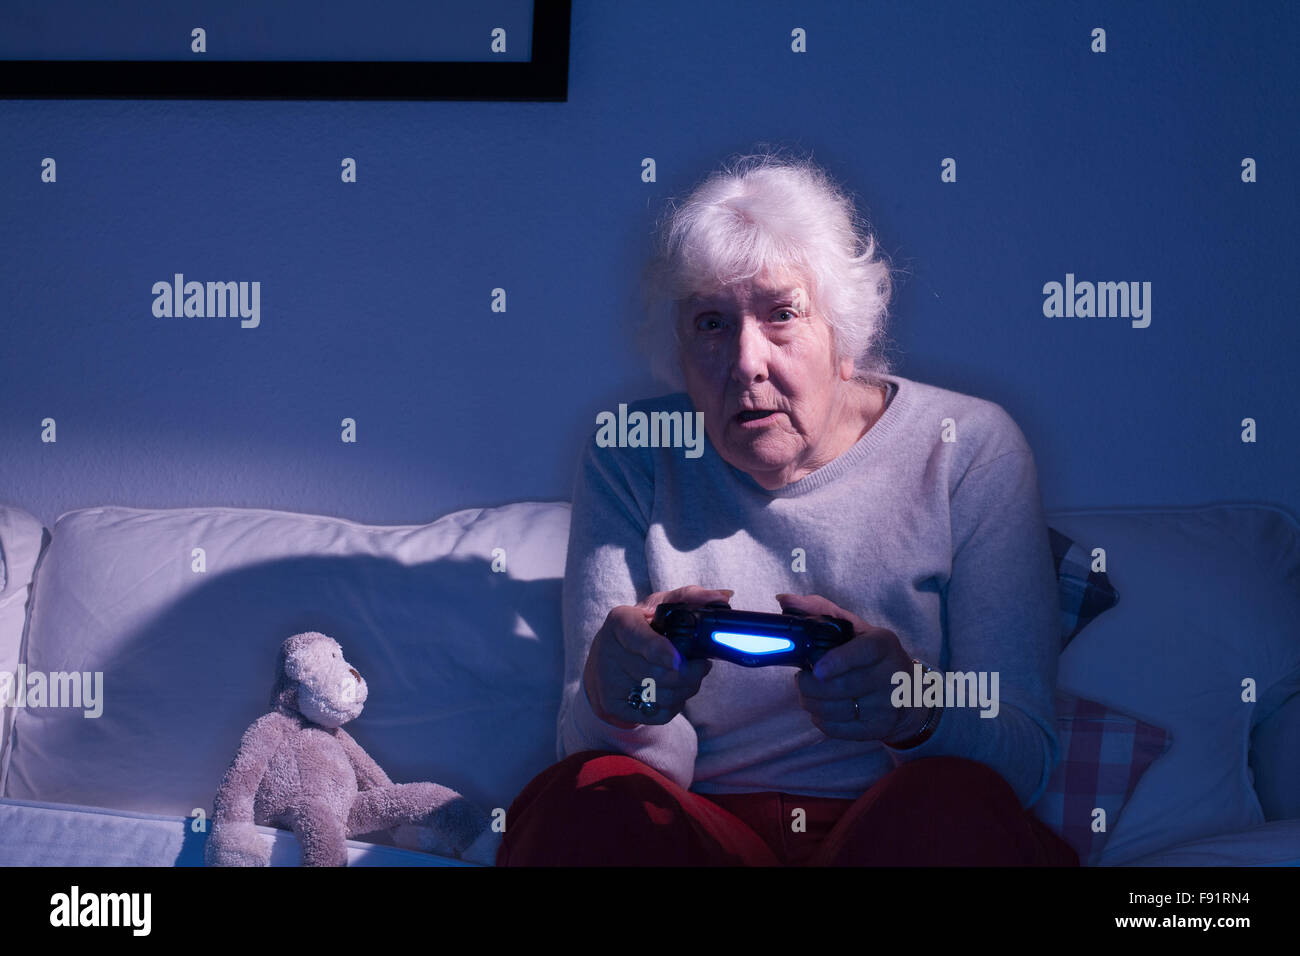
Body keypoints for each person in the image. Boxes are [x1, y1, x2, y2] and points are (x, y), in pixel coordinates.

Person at [498, 148, 1078, 866]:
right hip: (700, 835)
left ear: (845, 335)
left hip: (896, 834)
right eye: (711, 323)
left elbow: (1021, 759)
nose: (746, 361)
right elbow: (614, 759)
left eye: (782, 315)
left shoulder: (967, 446)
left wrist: (914, 708)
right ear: (678, 349)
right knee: (585, 798)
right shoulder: (632, 452)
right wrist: (618, 699)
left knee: (951, 809)